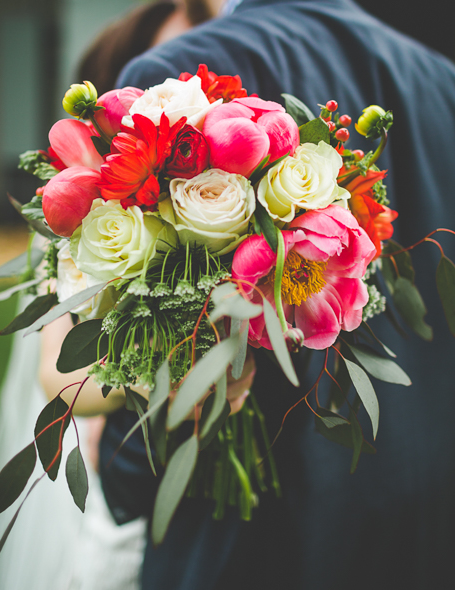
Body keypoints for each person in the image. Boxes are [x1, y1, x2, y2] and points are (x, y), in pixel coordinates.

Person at [97, 0, 455, 588]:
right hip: (424, 528)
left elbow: (164, 341)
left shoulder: (178, 84)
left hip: (259, 545)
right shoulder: (439, 77)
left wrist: (124, 470)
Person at [0, 5, 204, 588]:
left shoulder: (225, 200)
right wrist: (152, 373)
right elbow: (59, 381)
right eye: (157, 78)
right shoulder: (77, 221)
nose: (177, 92)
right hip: (122, 474)